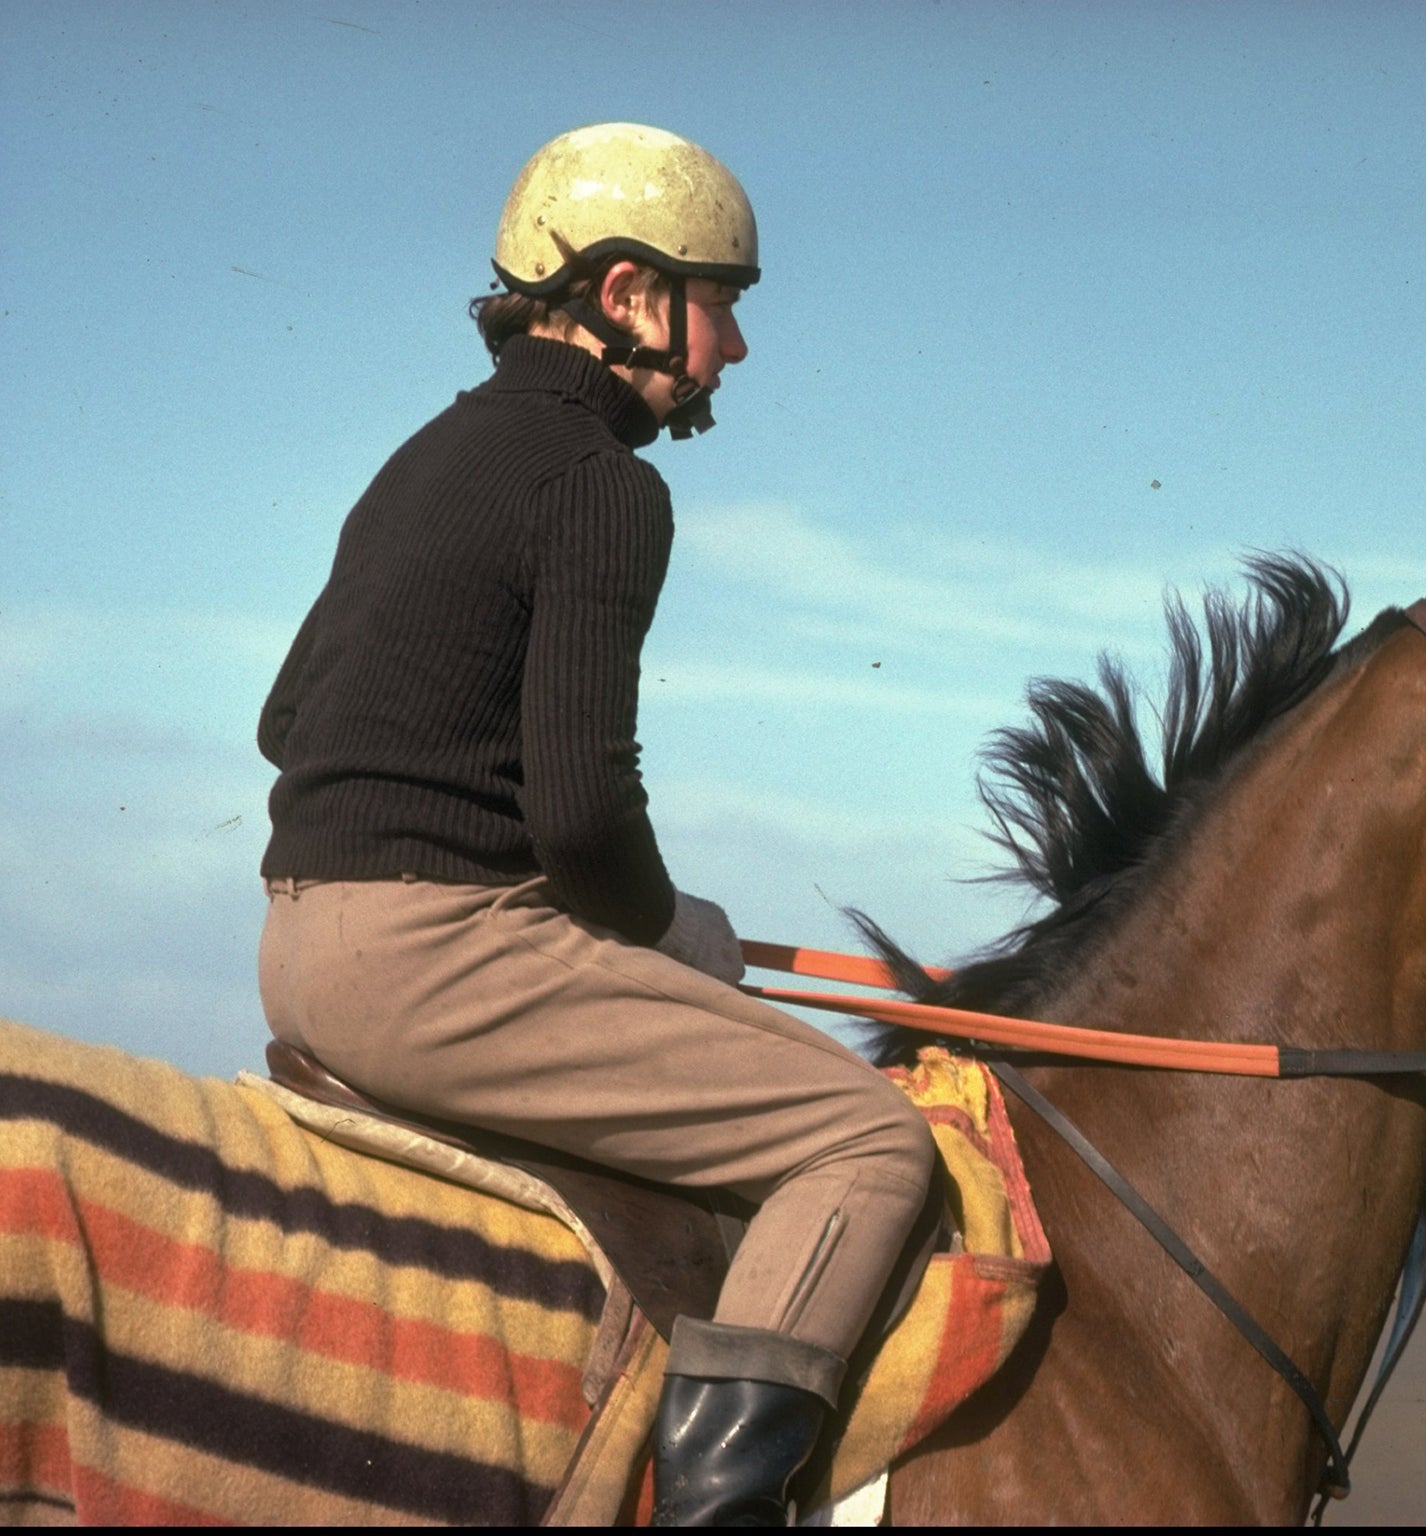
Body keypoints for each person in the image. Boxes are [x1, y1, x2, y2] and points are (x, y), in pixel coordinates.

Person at [254, 122, 935, 1527]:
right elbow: (580, 812)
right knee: (868, 1143)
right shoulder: (604, 488)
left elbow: (284, 723)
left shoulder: (424, 456)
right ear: (626, 294)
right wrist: (667, 928)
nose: (733, 347)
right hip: (438, 962)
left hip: (300, 941)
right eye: (721, 301)